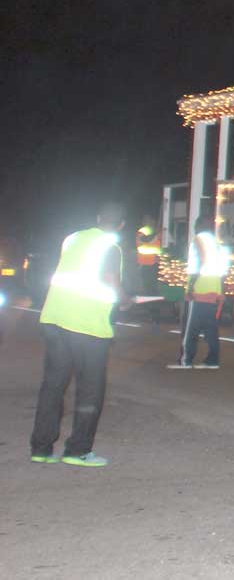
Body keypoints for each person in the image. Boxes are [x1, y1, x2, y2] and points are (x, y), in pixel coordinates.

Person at [30, 200, 129, 467]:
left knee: (53, 385)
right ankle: (78, 450)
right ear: (121, 225)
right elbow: (109, 279)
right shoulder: (110, 247)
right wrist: (124, 299)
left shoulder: (72, 239)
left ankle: (41, 448)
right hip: (87, 325)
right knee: (89, 390)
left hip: (55, 317)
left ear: (97, 217)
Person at [169, 217, 226, 370]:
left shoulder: (198, 240)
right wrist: (220, 292)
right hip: (213, 292)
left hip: (199, 291)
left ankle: (186, 360)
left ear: (198, 226)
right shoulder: (216, 244)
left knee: (191, 330)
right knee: (211, 329)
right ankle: (213, 359)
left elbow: (198, 264)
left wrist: (190, 288)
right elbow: (222, 269)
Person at [134, 215, 161, 296]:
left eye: (149, 220)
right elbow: (146, 240)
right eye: (146, 220)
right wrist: (157, 235)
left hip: (157, 264)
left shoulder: (158, 231)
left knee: (155, 289)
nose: (148, 222)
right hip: (146, 265)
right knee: (148, 289)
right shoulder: (142, 232)